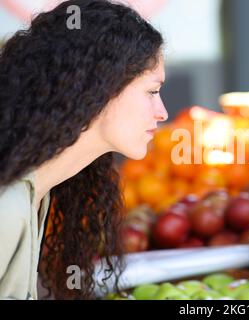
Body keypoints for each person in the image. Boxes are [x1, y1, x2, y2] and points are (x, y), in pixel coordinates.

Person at [0, 0, 168, 299]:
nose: (162, 112)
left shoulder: (39, 191)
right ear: (100, 88)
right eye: (152, 91)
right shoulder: (8, 206)